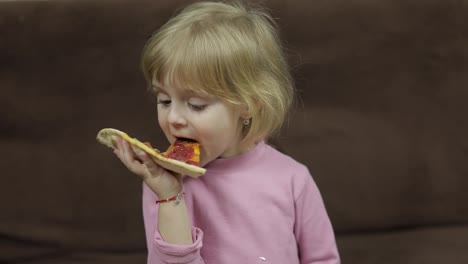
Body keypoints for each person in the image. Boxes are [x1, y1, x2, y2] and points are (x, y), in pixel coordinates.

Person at [113, 1, 340, 263]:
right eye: (164, 100)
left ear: (247, 105)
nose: (173, 118)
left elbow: (323, 259)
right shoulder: (161, 183)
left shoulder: (293, 179)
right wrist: (170, 197)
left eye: (196, 105)